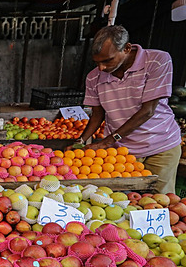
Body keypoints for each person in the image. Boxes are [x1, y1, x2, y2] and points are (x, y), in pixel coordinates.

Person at [76, 25, 181, 194]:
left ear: (126, 48)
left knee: (159, 200)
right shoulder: (94, 77)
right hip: (121, 152)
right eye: (97, 62)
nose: (101, 68)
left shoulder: (157, 60)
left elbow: (148, 110)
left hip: (161, 145)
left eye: (107, 60)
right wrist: (80, 141)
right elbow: (97, 114)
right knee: (122, 202)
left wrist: (108, 141)